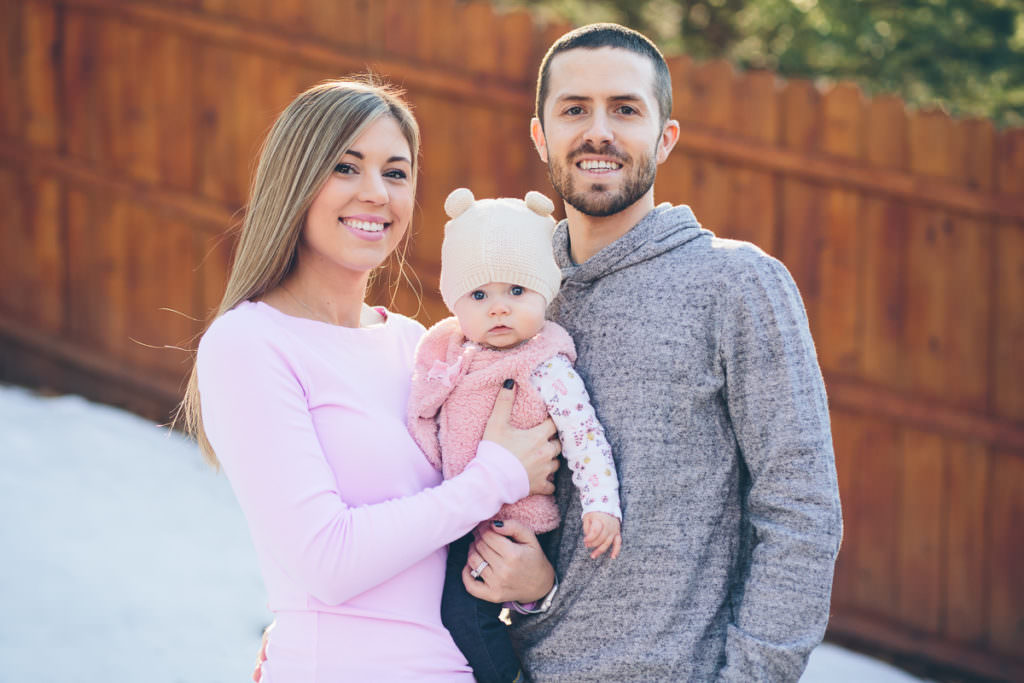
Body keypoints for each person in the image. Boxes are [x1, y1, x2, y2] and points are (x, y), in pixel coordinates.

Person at [461, 23, 844, 681]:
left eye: (626, 109)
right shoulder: (513, 297)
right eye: (575, 108)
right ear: (540, 134)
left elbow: (801, 511)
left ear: (665, 136)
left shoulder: (737, 284)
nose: (599, 130)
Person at [176, 78, 563, 682]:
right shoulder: (250, 344)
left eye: (396, 173)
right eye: (346, 167)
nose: (375, 194)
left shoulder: (422, 345)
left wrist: (533, 586)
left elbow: (461, 538)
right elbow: (327, 561)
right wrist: (497, 475)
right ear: (296, 181)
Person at [406, 187, 622, 683]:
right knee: (439, 615)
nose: (498, 309)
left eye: (516, 292)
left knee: (467, 618)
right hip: (459, 510)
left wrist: (601, 505)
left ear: (545, 293)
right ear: (455, 301)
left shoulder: (545, 367)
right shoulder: (449, 352)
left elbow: (585, 437)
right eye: (480, 295)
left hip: (511, 523)